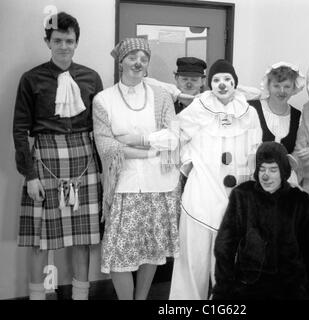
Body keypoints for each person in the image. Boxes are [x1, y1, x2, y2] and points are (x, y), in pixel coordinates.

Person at [12, 12, 103, 300]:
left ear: (77, 43)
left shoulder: (91, 77)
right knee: (41, 239)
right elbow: (20, 130)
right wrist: (30, 174)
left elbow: (100, 130)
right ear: (48, 42)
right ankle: (38, 297)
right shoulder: (31, 79)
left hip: (84, 159)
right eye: (58, 40)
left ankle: (80, 297)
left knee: (84, 238)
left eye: (70, 40)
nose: (64, 46)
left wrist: (103, 171)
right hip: (45, 159)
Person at [92, 38, 180, 300]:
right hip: (124, 183)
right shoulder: (103, 100)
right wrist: (152, 149)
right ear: (121, 62)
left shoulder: (161, 96)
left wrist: (134, 141)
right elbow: (106, 146)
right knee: (119, 250)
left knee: (152, 249)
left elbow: (173, 137)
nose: (138, 62)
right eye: (132, 57)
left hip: (159, 183)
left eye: (143, 58)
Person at [169, 59, 262, 300]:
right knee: (193, 260)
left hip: (235, 196)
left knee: (228, 259)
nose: (222, 85)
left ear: (235, 83)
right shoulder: (198, 108)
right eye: (217, 80)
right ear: (209, 84)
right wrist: (187, 161)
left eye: (227, 80)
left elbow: (255, 151)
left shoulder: (249, 113)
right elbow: (174, 135)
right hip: (200, 194)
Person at [213, 142, 309, 300]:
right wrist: (223, 289)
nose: (265, 176)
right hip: (248, 286)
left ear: (283, 171)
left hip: (289, 288)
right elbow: (224, 247)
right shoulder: (242, 196)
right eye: (262, 169)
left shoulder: (301, 202)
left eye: (273, 169)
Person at [248, 62, 309, 185]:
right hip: (254, 180)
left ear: (294, 88)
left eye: (287, 86)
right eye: (276, 86)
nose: (282, 91)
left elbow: (298, 150)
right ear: (268, 86)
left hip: (285, 182)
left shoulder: (297, 116)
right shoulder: (252, 109)